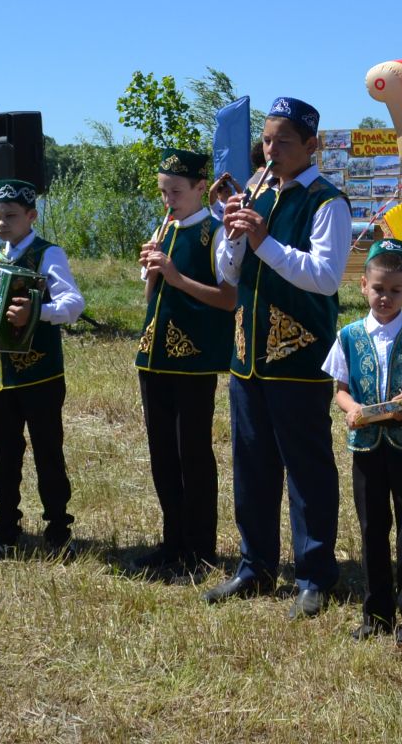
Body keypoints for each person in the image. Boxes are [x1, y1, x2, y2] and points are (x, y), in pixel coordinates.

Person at [204, 96, 354, 619]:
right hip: (248, 354)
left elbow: (326, 277)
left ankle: (314, 574)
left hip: (299, 353)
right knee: (252, 464)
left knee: (306, 467)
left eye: (283, 141)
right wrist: (232, 234)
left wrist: (263, 241)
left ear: (312, 146)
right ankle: (255, 565)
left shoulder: (328, 202)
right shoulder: (258, 192)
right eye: (266, 140)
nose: (271, 150)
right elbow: (228, 275)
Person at [325, 238, 402, 646]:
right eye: (379, 289)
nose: (385, 298)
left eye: (396, 291)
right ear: (363, 286)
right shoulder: (348, 335)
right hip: (366, 446)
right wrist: (352, 408)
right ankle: (375, 613)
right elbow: (339, 388)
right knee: (371, 528)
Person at [132, 148, 236, 579]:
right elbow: (151, 298)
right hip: (153, 357)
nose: (168, 199)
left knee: (191, 453)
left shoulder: (215, 234)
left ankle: (200, 549)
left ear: (199, 187)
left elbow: (228, 300)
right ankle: (172, 540)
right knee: (162, 455)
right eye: (162, 192)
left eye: (176, 191)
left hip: (193, 359)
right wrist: (153, 272)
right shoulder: (166, 227)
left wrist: (174, 276)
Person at [0, 177, 85, 559]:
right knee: (4, 457)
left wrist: (37, 312)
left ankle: (58, 531)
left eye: (9, 216)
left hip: (41, 375)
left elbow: (74, 303)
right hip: (2, 378)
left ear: (31, 215)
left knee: (47, 454)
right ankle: (5, 531)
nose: (1, 223)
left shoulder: (47, 253)